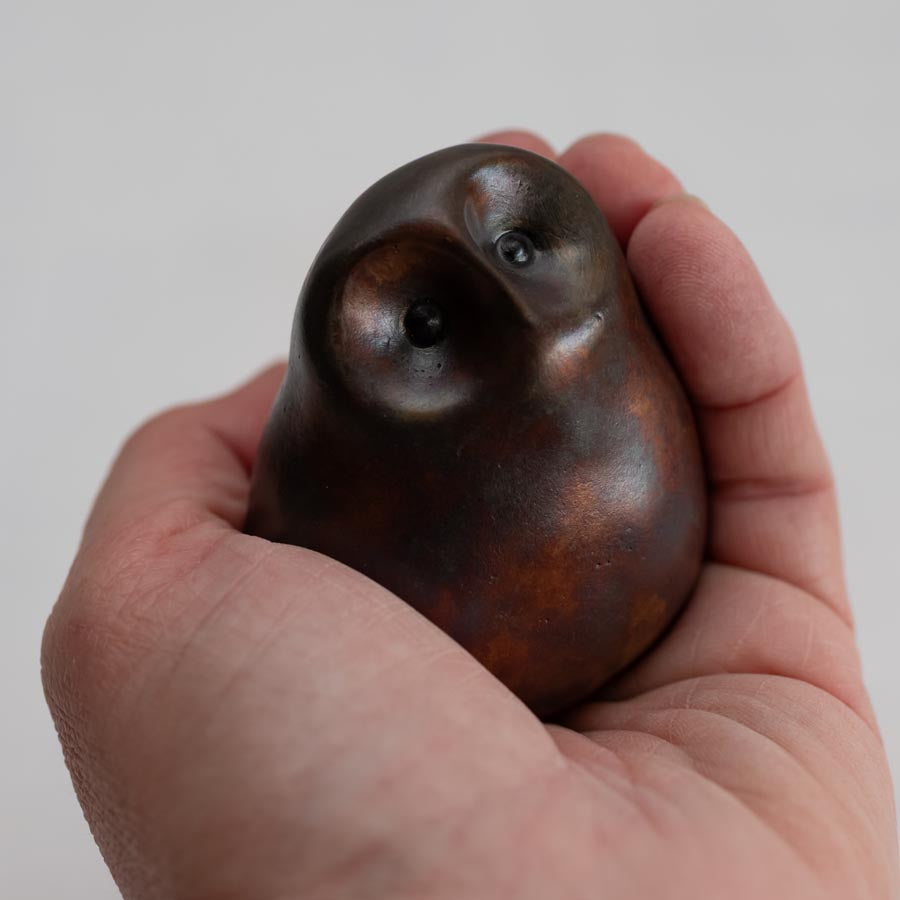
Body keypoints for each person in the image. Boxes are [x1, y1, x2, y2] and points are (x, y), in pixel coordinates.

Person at [41, 131, 899, 900]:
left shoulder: (619, 378)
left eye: (519, 247)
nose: (529, 322)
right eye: (424, 322)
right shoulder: (331, 473)